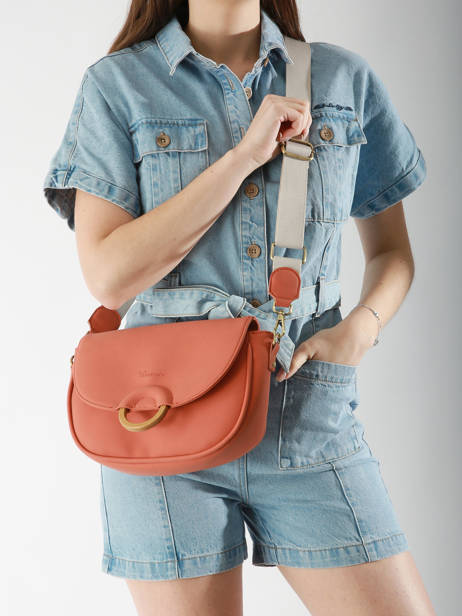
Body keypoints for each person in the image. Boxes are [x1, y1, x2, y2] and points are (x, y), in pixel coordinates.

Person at [42, 1, 435, 614]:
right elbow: (109, 278)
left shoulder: (341, 80)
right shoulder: (117, 85)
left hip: (308, 421)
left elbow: (392, 252)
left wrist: (360, 329)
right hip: (162, 426)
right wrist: (246, 155)